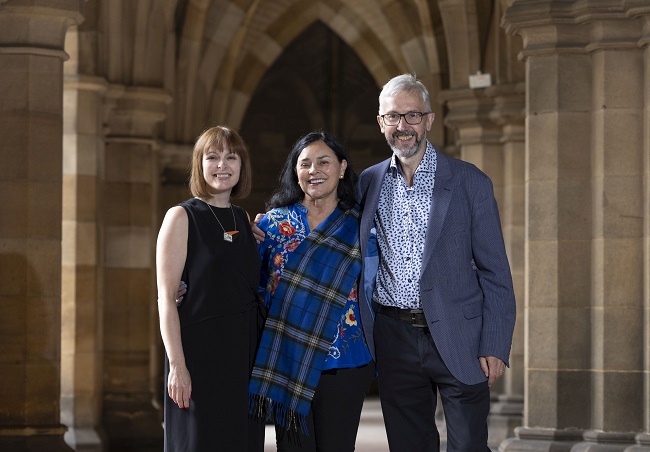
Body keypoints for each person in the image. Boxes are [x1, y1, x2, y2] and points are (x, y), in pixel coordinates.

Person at [356, 73, 517, 451]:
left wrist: (495, 343)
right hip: (394, 337)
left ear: (429, 120)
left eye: (413, 116)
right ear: (381, 123)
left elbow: (495, 272)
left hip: (461, 336)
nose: (403, 126)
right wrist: (267, 227)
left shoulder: (468, 181)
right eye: (393, 117)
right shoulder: (368, 183)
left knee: (468, 446)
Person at [248, 131, 376, 452]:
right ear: (295, 172)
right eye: (304, 164)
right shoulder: (273, 224)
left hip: (346, 361)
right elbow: (251, 285)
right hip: (287, 357)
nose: (313, 170)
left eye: (324, 162)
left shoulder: (361, 225)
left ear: (342, 168)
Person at [156, 125, 265, 451]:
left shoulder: (243, 220)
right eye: (213, 157)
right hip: (199, 360)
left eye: (231, 157)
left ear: (242, 165)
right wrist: (177, 367)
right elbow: (165, 300)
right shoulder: (181, 217)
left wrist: (253, 234)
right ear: (199, 164)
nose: (222, 165)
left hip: (244, 357)